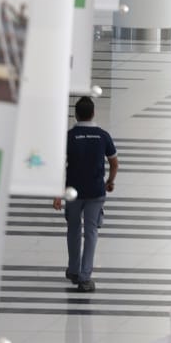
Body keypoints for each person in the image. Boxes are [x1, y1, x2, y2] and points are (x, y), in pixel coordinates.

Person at [54, 97, 117, 293]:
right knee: (91, 233)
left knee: (73, 230)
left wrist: (57, 194)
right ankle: (85, 277)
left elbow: (58, 166)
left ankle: (73, 270)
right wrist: (110, 181)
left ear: (76, 114)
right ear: (93, 113)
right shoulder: (103, 136)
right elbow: (114, 162)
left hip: (73, 192)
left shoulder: (69, 136)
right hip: (95, 192)